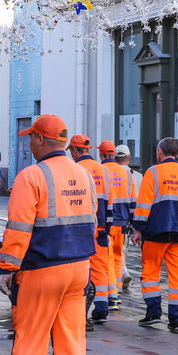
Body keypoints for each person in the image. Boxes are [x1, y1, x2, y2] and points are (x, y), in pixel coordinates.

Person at [0, 115, 96, 355]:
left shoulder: (31, 176)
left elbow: (19, 229)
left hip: (41, 271)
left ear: (39, 139)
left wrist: (7, 269)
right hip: (78, 270)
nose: (28, 143)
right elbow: (92, 221)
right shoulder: (84, 174)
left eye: (30, 138)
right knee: (71, 344)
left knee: (31, 342)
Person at [131, 138, 178, 332]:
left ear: (160, 152)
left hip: (155, 230)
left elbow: (144, 203)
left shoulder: (153, 172)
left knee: (150, 272)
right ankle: (177, 319)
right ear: (177, 153)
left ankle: (153, 313)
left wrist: (138, 228)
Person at [68, 135, 112, 325]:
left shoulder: (75, 169)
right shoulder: (103, 170)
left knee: (80, 268)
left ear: (76, 150)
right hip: (101, 228)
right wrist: (107, 228)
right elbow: (109, 202)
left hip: (82, 229)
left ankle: (81, 305)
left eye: (71, 151)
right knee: (100, 269)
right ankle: (101, 308)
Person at [100, 141, 134, 309]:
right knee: (118, 256)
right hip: (122, 223)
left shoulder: (101, 171)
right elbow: (133, 200)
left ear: (101, 154)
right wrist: (133, 224)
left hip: (107, 223)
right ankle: (117, 291)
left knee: (108, 259)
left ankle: (112, 296)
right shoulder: (127, 173)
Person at [115, 144, 141, 289]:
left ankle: (121, 275)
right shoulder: (137, 177)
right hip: (128, 219)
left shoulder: (109, 172)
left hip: (113, 218)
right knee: (122, 249)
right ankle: (123, 272)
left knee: (117, 251)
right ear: (129, 158)